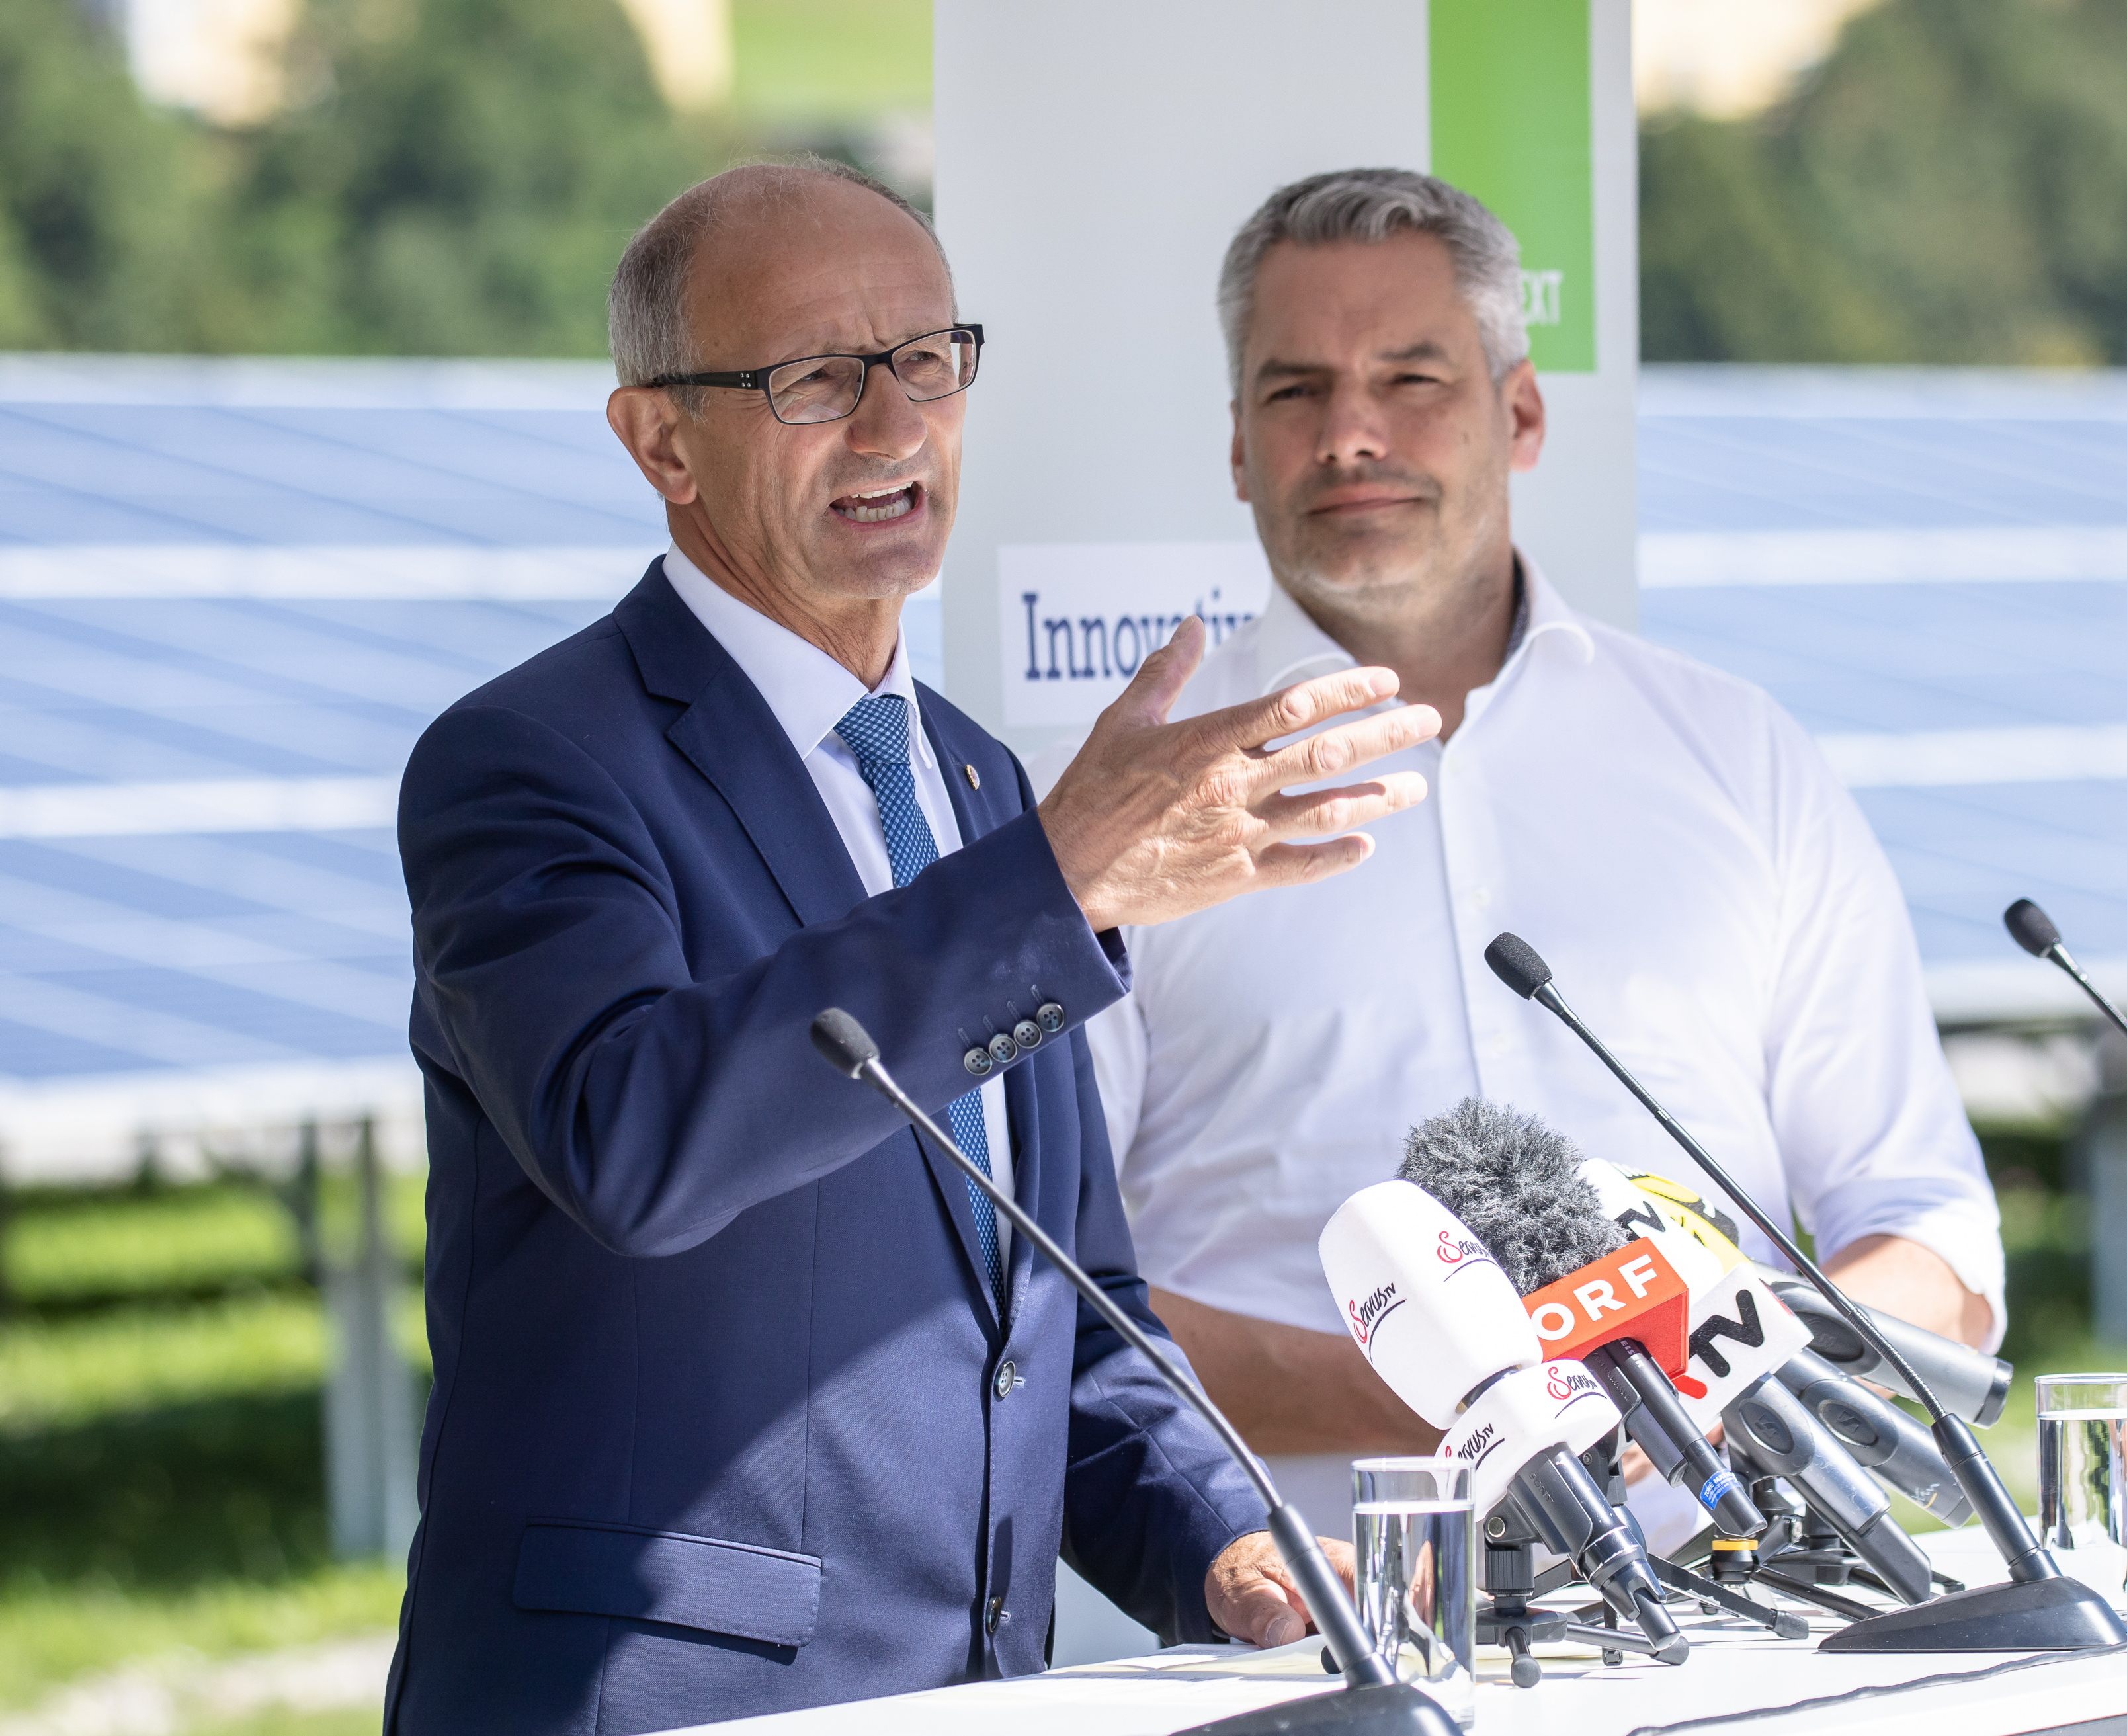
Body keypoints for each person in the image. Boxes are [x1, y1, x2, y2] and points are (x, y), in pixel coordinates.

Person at [385, 160, 1439, 1735]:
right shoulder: (531, 760)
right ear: (659, 438)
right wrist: (1052, 881)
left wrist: (1227, 1536)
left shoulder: (971, 779)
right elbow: (636, 1141)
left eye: (927, 361)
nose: (891, 427)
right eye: (814, 376)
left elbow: (1058, 1308)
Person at [1036, 168, 2005, 1541]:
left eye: (1412, 378)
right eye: (1294, 391)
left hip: (1765, 1621)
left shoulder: (1737, 755)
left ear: (1524, 411)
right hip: (1317, 1628)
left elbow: (1928, 1229)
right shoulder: (1130, 813)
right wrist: (1469, 1403)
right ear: (1240, 449)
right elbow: (1054, 1282)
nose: (1350, 433)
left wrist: (1740, 1375)